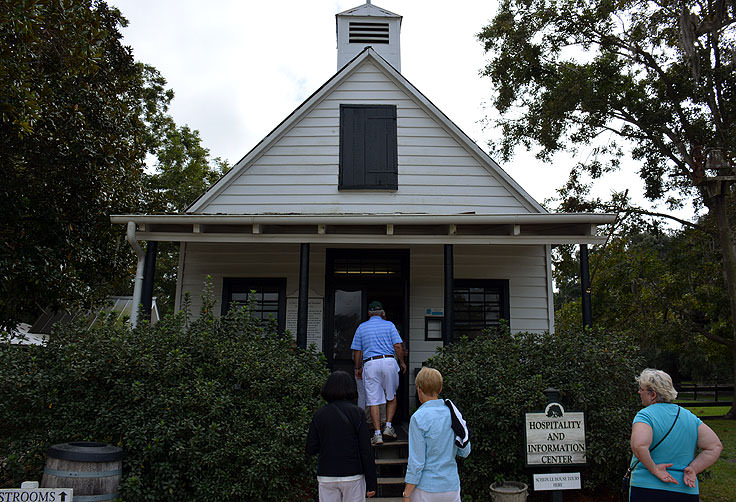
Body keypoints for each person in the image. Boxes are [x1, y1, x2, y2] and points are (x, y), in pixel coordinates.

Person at [628, 368, 722, 502]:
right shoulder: (690, 417)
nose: (639, 392)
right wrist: (693, 469)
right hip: (686, 490)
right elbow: (715, 446)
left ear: (652, 394)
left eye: (641, 389)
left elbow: (638, 446)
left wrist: (655, 469)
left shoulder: (645, 415)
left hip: (647, 488)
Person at [307, 371, 377, 501]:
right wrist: (371, 482)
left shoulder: (319, 415)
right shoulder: (357, 413)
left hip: (327, 473)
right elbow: (366, 450)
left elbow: (311, 448)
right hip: (353, 474)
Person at [403, 367, 470, 502]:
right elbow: (465, 451)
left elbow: (417, 461)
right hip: (451, 486)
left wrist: (407, 493)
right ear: (439, 390)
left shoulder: (418, 418)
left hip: (426, 487)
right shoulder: (453, 413)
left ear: (419, 389)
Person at [351, 300, 407, 445]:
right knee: (391, 396)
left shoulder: (361, 327)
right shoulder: (390, 325)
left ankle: (377, 434)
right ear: (382, 313)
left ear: (369, 313)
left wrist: (357, 368)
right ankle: (388, 427)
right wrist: (401, 362)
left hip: (370, 363)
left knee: (373, 400)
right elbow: (398, 346)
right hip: (388, 361)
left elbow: (357, 351)